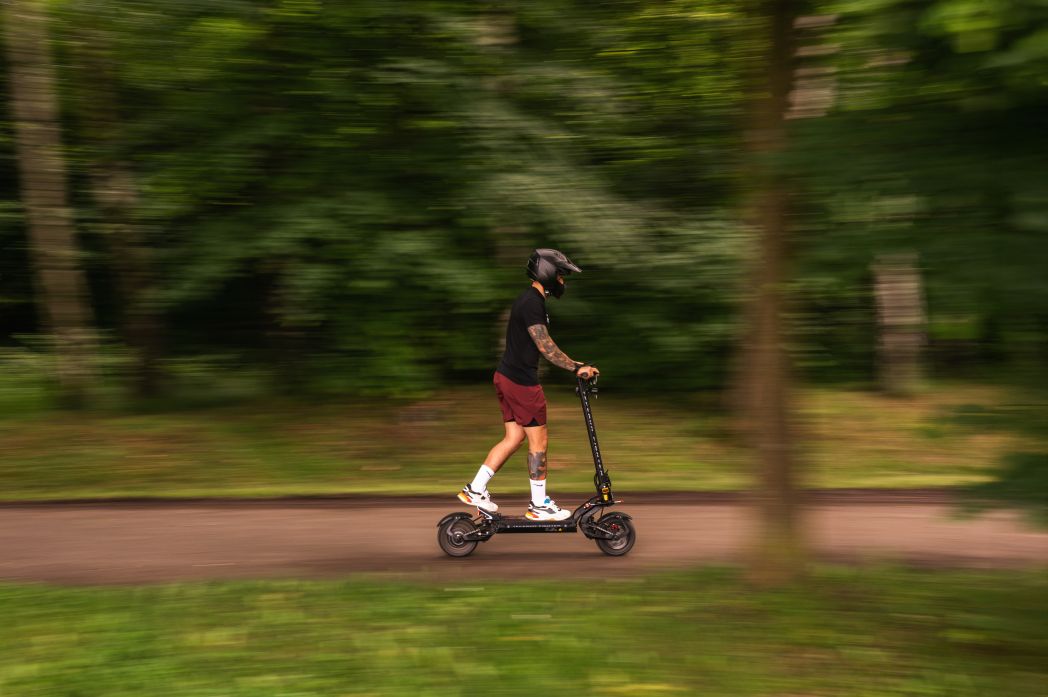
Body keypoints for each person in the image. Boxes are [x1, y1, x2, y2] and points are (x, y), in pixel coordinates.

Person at [458, 248, 599, 521]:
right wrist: (576, 367)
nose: (562, 281)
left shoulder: (529, 299)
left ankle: (475, 489)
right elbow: (545, 347)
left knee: (514, 437)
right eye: (560, 275)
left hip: (505, 376)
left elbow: (543, 346)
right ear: (547, 273)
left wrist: (575, 363)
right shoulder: (532, 303)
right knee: (539, 441)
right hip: (521, 382)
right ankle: (539, 504)